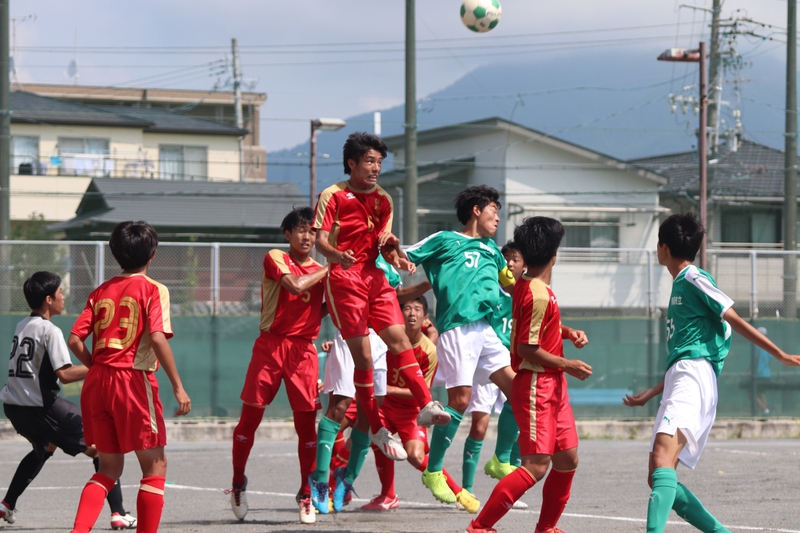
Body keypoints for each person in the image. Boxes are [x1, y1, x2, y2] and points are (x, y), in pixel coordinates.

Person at [622, 213, 800, 533]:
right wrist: (652, 392)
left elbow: (732, 317)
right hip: (684, 374)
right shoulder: (681, 284)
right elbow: (690, 350)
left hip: (693, 377)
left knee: (662, 460)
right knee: (657, 474)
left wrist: (780, 354)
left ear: (663, 247)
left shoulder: (692, 277)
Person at [309, 131, 449, 512]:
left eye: (379, 163)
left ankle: (426, 404)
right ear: (352, 163)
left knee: (400, 341)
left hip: (373, 277)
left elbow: (385, 240)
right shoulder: (333, 196)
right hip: (344, 281)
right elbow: (319, 241)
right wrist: (337, 256)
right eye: (369, 161)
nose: (375, 169)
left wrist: (397, 254)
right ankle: (323, 477)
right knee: (360, 369)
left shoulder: (384, 200)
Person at [466, 216, 592, 533]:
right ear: (554, 254)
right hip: (537, 384)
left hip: (553, 384)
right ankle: (480, 527)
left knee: (567, 460)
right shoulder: (537, 292)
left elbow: (537, 331)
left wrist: (565, 332)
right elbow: (526, 349)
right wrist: (568, 364)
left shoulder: (531, 285)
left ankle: (546, 528)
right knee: (536, 465)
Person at [68, 220, 192, 533]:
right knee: (155, 467)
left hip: (97, 383)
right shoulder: (153, 289)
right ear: (152, 254)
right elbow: (159, 337)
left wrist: (95, 364)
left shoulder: (100, 291)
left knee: (108, 468)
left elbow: (74, 340)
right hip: (131, 381)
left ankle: (78, 531)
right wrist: (178, 387)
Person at [404, 185, 520, 503]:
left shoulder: (494, 250)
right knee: (460, 401)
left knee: (521, 392)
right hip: (456, 330)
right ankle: (434, 471)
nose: (498, 217)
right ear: (477, 211)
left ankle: (501, 460)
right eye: (494, 211)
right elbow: (404, 256)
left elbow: (514, 284)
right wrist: (390, 263)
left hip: (485, 331)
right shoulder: (445, 240)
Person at [0, 272, 136, 530]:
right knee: (100, 448)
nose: (64, 296)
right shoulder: (49, 330)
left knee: (46, 446)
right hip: (41, 408)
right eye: (61, 292)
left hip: (14, 407)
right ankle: (118, 512)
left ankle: (6, 504)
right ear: (49, 299)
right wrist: (101, 365)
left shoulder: (21, 325)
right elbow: (65, 374)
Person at [228, 207, 329, 524]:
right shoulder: (276, 257)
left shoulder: (321, 268)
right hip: (270, 347)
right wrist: (331, 269)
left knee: (305, 426)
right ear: (288, 234)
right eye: (301, 230)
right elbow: (297, 287)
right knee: (250, 420)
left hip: (303, 352)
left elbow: (326, 308)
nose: (307, 236)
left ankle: (305, 493)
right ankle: (237, 483)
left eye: (312, 231)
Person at [319, 256, 433, 514]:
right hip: (352, 337)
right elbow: (331, 298)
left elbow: (398, 296)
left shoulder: (387, 265)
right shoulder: (346, 255)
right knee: (338, 410)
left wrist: (425, 280)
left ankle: (346, 481)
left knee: (368, 419)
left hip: (380, 341)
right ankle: (318, 482)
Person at [362, 296, 479, 515]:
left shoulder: (429, 351)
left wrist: (387, 389)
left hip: (411, 412)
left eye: (417, 309)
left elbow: (420, 395)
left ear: (425, 319)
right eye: (407, 308)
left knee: (415, 455)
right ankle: (340, 489)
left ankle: (458, 491)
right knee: (364, 437)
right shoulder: (384, 340)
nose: (412, 313)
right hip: (385, 407)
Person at [461, 241, 525, 505]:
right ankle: (466, 489)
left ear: (525, 264)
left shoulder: (529, 293)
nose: (509, 263)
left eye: (515, 259)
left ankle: (510, 488)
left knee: (522, 420)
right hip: (491, 361)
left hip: (515, 363)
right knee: (479, 425)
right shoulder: (490, 290)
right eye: (505, 258)